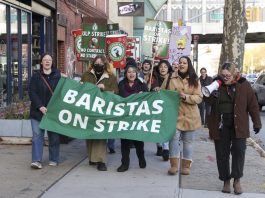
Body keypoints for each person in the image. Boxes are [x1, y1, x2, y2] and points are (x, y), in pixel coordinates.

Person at [205, 62, 261, 194]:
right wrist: (211, 94)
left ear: (234, 73)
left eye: (228, 75)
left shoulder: (243, 84)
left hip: (239, 124)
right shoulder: (216, 84)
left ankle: (237, 180)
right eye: (223, 75)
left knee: (239, 151)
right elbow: (207, 101)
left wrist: (257, 122)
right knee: (222, 154)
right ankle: (226, 180)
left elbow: (253, 105)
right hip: (221, 124)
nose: (225, 78)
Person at [161, 56, 202, 175]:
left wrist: (186, 97)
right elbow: (163, 93)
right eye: (180, 62)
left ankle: (186, 166)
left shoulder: (195, 79)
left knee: (188, 142)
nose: (182, 64)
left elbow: (199, 97)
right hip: (174, 115)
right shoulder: (170, 77)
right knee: (173, 141)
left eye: (184, 63)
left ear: (188, 65)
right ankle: (174, 165)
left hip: (191, 117)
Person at [81, 55, 118, 171]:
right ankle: (92, 158)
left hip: (103, 109)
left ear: (105, 64)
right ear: (93, 64)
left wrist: (105, 88)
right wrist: (91, 87)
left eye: (100, 63)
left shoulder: (111, 77)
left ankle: (101, 160)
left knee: (101, 134)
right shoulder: (86, 75)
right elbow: (81, 89)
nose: (98, 65)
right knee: (90, 134)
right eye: (96, 63)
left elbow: (115, 92)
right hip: (89, 108)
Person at [29, 53, 62, 169]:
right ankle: (36, 160)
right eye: (45, 60)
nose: (47, 62)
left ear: (52, 62)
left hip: (53, 112)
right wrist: (40, 106)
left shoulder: (58, 76)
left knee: (54, 137)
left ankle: (54, 159)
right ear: (41, 62)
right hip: (37, 112)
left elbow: (63, 92)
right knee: (37, 136)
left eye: (49, 60)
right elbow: (32, 93)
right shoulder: (35, 77)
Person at [117, 62, 148, 172]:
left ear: (137, 73)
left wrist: (143, 95)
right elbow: (117, 99)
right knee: (124, 142)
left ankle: (141, 158)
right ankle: (124, 164)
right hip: (125, 117)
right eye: (129, 72)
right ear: (126, 74)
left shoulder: (142, 85)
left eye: (133, 72)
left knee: (138, 142)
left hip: (137, 118)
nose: (131, 74)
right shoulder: (121, 85)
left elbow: (149, 99)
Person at [154, 59, 173, 161]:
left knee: (165, 126)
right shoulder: (154, 78)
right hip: (156, 106)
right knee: (157, 127)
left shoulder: (172, 78)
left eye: (165, 67)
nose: (163, 68)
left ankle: (166, 148)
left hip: (167, 106)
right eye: (161, 66)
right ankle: (159, 145)